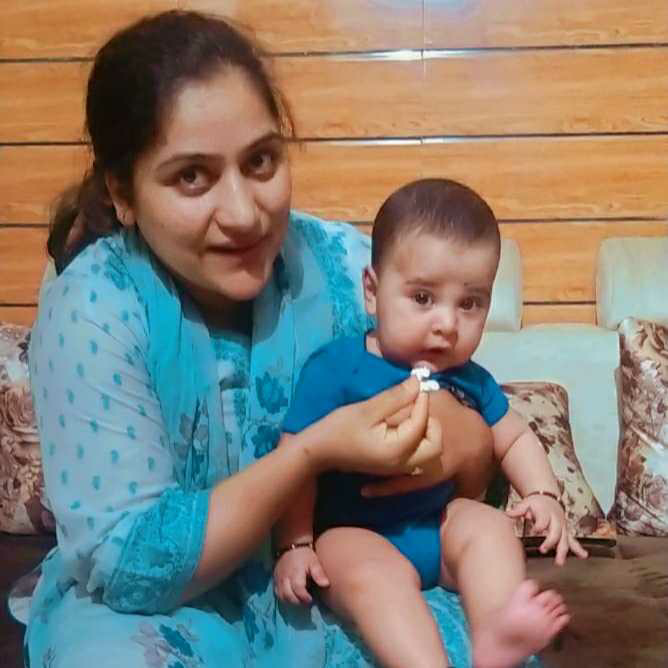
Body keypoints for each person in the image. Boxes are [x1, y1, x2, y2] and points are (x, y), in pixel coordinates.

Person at [25, 11, 497, 668]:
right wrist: (309, 455)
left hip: (339, 581)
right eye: (192, 177)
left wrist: (461, 442)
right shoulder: (92, 309)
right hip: (158, 614)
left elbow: (476, 438)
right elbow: (134, 569)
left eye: (261, 162)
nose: (245, 214)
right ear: (122, 193)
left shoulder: (342, 267)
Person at [273, 179, 589, 668]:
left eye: (470, 303)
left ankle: (496, 635)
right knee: (372, 576)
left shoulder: (471, 380)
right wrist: (295, 544)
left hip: (439, 531)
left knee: (489, 526)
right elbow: (296, 457)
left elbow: (514, 437)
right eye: (423, 298)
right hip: (355, 533)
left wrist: (544, 494)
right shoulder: (337, 368)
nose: (447, 324)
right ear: (372, 292)